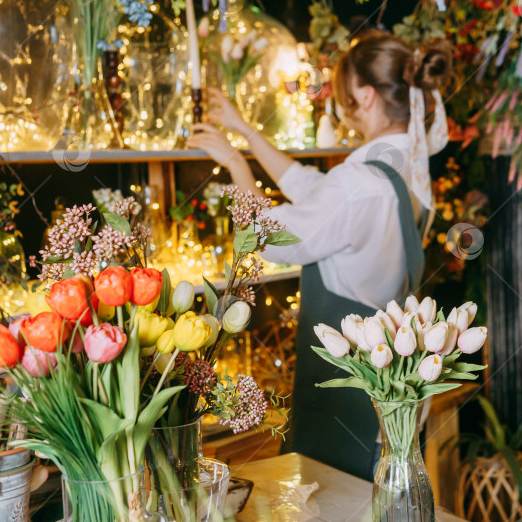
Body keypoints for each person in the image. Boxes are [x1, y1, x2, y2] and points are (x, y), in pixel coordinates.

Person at [187, 32, 452, 479]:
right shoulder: (408, 163)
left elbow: (265, 237)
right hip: (388, 390)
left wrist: (234, 164)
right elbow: (312, 189)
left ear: (365, 96)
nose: (343, 108)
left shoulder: (358, 184)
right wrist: (246, 130)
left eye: (345, 96)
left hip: (344, 402)